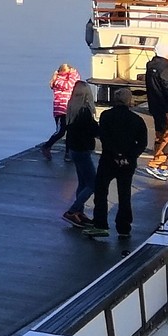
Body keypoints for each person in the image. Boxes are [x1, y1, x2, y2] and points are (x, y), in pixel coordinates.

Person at [90, 88, 148, 238]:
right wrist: (128, 156)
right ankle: (124, 227)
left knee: (101, 191)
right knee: (125, 194)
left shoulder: (106, 116)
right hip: (128, 162)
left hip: (109, 159)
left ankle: (100, 224)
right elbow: (142, 143)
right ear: (130, 101)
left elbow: (104, 138)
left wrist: (116, 154)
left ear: (115, 100)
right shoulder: (137, 119)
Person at [60, 81, 101, 229]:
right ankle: (73, 210)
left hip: (74, 149)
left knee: (83, 183)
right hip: (82, 150)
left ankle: (79, 213)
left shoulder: (72, 108)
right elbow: (93, 130)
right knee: (94, 183)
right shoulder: (84, 112)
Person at [42, 64, 79, 159]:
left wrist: (74, 74)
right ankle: (47, 146)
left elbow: (77, 80)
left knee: (71, 132)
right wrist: (72, 74)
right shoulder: (58, 81)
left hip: (69, 109)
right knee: (61, 132)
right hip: (61, 109)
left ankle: (68, 153)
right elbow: (68, 85)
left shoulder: (70, 78)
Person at [142, 50, 168, 180]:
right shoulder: (164, 70)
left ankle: (161, 165)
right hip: (165, 108)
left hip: (156, 107)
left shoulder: (151, 67)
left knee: (160, 135)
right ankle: (157, 164)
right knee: (166, 138)